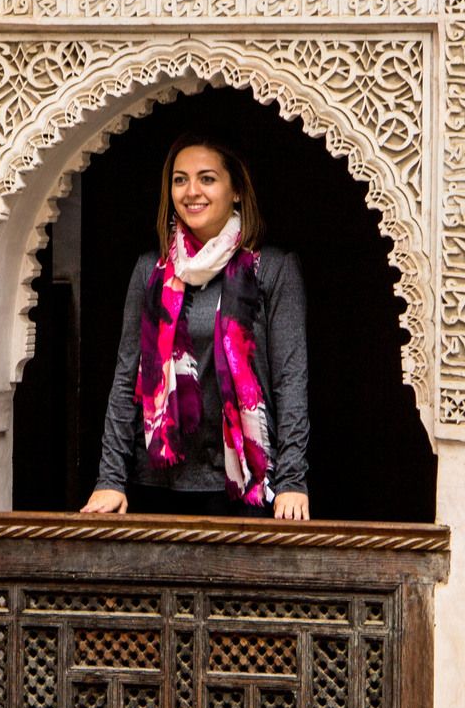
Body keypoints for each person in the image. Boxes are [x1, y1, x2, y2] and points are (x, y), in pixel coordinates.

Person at [80, 132, 310, 521]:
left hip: (246, 486)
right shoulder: (150, 271)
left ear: (236, 191)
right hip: (157, 482)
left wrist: (292, 482)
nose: (191, 191)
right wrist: (110, 480)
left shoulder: (272, 269)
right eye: (180, 179)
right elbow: (126, 380)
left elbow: (291, 381)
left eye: (207, 178)